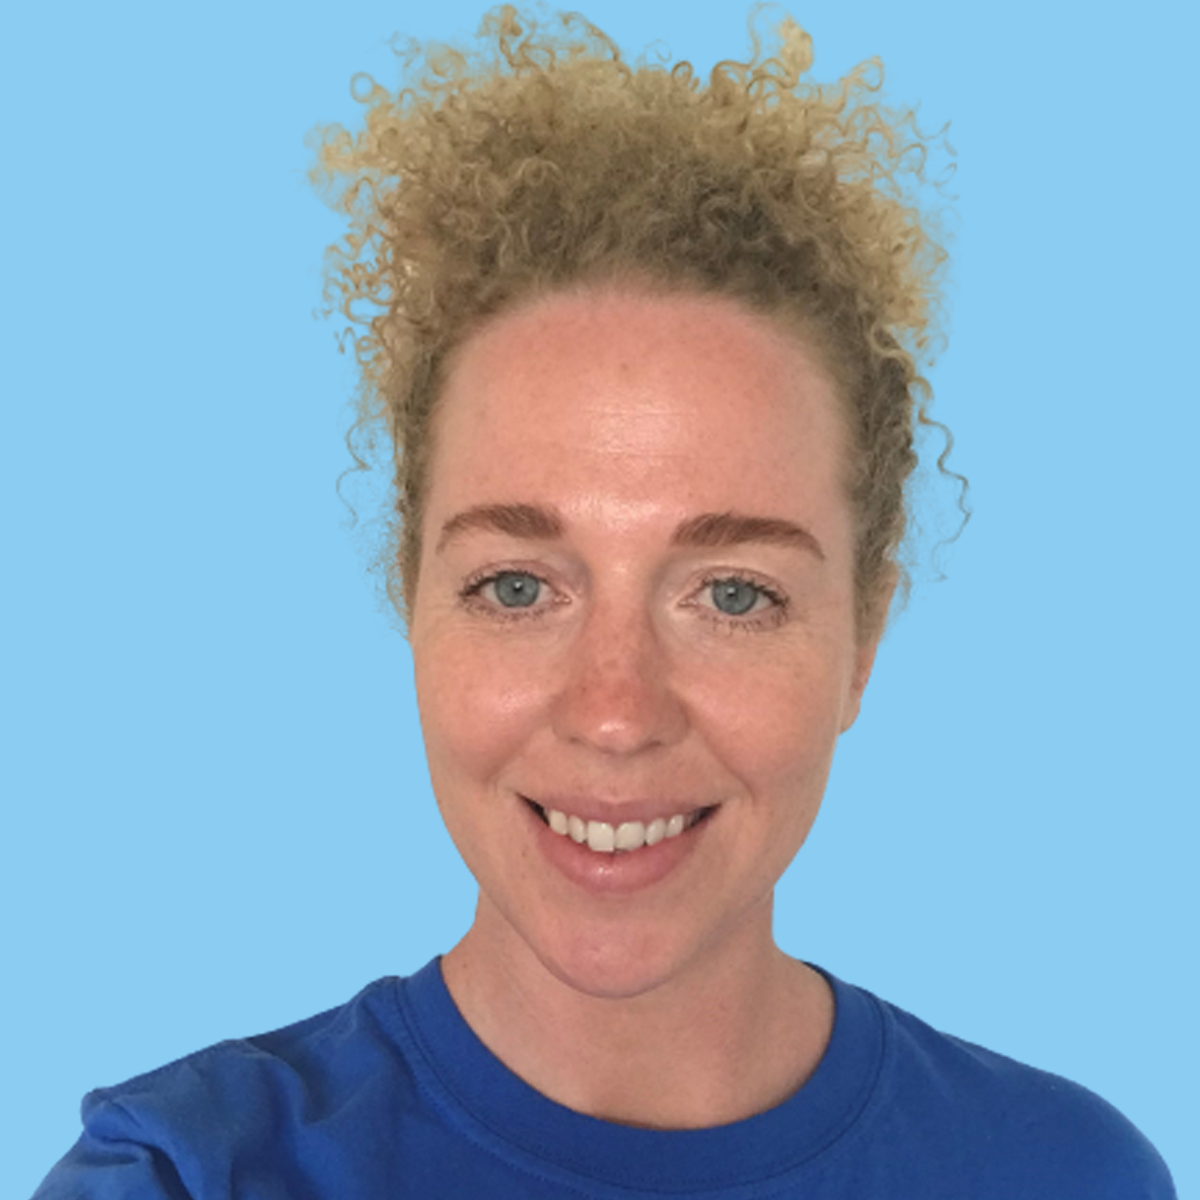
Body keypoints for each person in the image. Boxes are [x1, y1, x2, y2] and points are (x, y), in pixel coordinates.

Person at [32, 5, 1177, 1197]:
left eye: (734, 594)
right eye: (517, 586)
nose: (616, 710)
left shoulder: (1066, 1173)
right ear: (411, 600)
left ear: (865, 636)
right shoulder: (192, 1175)